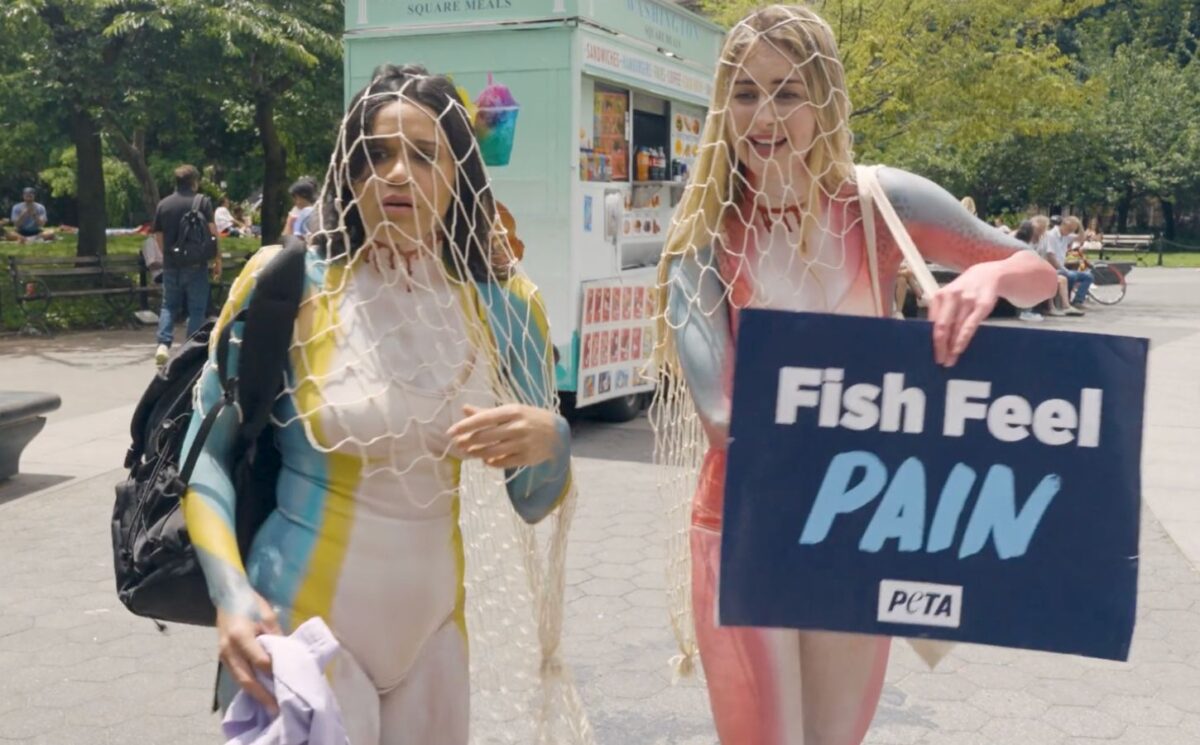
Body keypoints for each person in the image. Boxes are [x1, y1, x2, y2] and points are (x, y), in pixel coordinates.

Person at [652, 6, 1058, 744]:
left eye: (787, 91)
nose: (764, 115)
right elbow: (720, 414)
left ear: (826, 98)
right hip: (746, 525)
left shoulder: (880, 203)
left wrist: (991, 280)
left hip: (863, 523)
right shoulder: (703, 235)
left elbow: (1044, 276)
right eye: (744, 93)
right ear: (721, 105)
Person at [181, 64, 577, 745]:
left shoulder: (505, 308)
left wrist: (553, 441)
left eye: (424, 155)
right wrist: (231, 597)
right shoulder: (288, 286)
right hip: (298, 628)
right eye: (377, 154)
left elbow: (534, 497)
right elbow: (207, 463)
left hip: (434, 641)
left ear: (459, 174)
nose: (397, 174)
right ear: (349, 170)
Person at [152, 165, 221, 366]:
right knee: (197, 308)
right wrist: (217, 260)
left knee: (168, 305)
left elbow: (158, 235)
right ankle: (189, 349)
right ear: (194, 182)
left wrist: (169, 255)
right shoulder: (202, 202)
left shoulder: (163, 205)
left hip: (172, 264)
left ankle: (163, 345)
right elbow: (213, 232)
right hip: (196, 264)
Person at [1043, 215, 1092, 310]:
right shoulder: (1051, 235)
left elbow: (1081, 238)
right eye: (1069, 229)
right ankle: (1066, 302)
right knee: (1071, 276)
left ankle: (1078, 301)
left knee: (1088, 277)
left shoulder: (1066, 236)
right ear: (1063, 224)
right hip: (1053, 268)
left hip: (1061, 268)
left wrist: (1080, 225)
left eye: (1073, 230)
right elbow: (1050, 256)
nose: (1070, 232)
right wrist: (1063, 269)